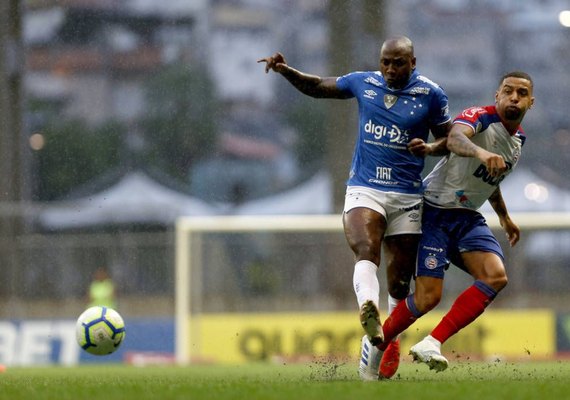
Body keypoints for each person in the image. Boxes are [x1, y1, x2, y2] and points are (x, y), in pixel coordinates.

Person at [258, 36, 451, 380]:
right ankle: (368, 307)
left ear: (413, 62)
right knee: (366, 248)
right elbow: (318, 86)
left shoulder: (431, 95)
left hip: (407, 196)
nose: (390, 70)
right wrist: (286, 71)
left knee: (400, 283)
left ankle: (378, 351)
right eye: (385, 62)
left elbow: (449, 140)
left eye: (398, 63)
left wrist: (431, 148)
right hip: (365, 189)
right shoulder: (365, 82)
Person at [372, 71, 535, 373]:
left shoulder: (518, 142)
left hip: (467, 217)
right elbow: (456, 137)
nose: (514, 97)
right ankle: (377, 344)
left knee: (495, 276)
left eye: (521, 93)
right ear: (497, 95)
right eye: (508, 91)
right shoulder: (481, 117)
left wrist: (505, 218)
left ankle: (432, 342)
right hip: (434, 210)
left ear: (531, 102)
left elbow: (489, 179)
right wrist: (481, 152)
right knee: (428, 298)